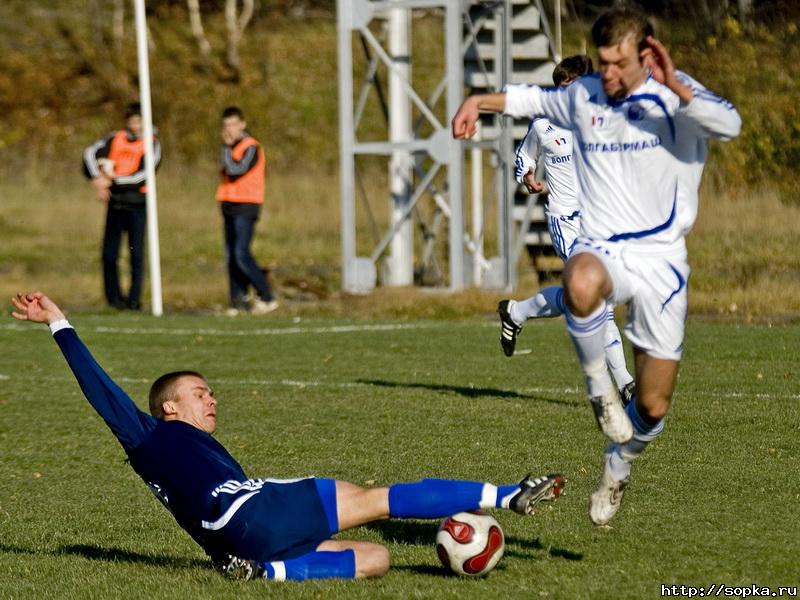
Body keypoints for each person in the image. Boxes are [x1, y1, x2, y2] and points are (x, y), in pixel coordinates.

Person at [10, 291, 565, 581]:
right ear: (169, 407)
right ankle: (506, 496)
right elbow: (102, 392)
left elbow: (200, 518)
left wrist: (233, 552)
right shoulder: (151, 436)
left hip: (235, 540)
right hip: (254, 513)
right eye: (199, 392)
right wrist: (60, 323)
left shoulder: (182, 458)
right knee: (377, 499)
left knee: (376, 560)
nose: (212, 398)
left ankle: (266, 571)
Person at [453, 6, 741, 525]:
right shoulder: (585, 94)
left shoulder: (675, 96)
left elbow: (729, 123)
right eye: (601, 63)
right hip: (604, 243)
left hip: (662, 260)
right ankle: (599, 388)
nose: (606, 74)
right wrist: (478, 100)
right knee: (581, 282)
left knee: (653, 408)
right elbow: (527, 99)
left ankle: (618, 463)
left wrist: (676, 84)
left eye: (617, 63)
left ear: (647, 52)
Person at [498, 55, 635, 407]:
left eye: (570, 88)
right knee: (598, 300)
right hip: (566, 221)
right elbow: (523, 157)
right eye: (559, 89)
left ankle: (516, 312)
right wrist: (527, 176)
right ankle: (625, 384)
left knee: (583, 300)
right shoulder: (544, 125)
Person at [83, 102, 161, 311]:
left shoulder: (152, 144)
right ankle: (114, 300)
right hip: (116, 204)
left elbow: (144, 176)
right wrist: (98, 179)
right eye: (132, 121)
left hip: (137, 204)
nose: (135, 125)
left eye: (139, 121)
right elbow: (89, 154)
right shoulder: (114, 138)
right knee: (109, 254)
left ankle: (134, 300)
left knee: (136, 254)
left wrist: (113, 180)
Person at [216, 106, 277, 316]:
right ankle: (238, 300)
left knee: (241, 253)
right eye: (226, 125)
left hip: (247, 205)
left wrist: (225, 149)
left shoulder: (251, 147)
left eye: (233, 124)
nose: (229, 129)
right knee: (231, 255)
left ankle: (266, 295)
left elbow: (236, 170)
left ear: (242, 124)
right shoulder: (229, 148)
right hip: (229, 204)